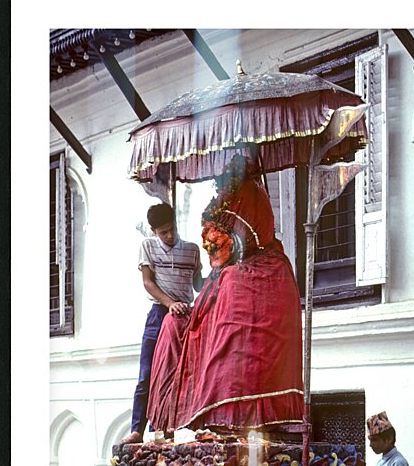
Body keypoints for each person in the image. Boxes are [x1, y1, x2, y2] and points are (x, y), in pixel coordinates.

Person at [148, 156, 304, 435]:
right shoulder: (223, 201)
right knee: (172, 327)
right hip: (222, 277)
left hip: (254, 270)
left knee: (232, 284)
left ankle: (230, 414)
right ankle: (164, 423)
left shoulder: (252, 197)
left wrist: (224, 262)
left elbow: (251, 237)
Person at [122, 202, 202, 444]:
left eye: (171, 229)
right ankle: (138, 429)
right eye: (162, 232)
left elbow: (198, 284)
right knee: (148, 373)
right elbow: (148, 282)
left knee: (181, 375)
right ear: (153, 230)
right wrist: (169, 303)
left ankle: (170, 429)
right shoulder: (147, 246)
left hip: (186, 318)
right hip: (159, 314)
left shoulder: (192, 250)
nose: (168, 235)